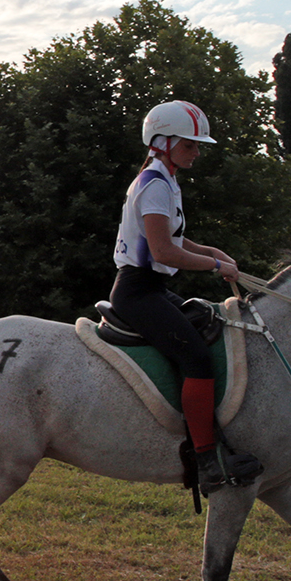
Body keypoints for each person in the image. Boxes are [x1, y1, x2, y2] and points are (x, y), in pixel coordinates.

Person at [111, 101, 262, 496]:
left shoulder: (164, 180)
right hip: (138, 291)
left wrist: (211, 251)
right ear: (163, 142)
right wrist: (215, 267)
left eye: (197, 145)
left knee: (208, 330)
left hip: (152, 288)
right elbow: (164, 252)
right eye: (190, 145)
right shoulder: (155, 185)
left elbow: (175, 238)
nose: (196, 152)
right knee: (196, 358)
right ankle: (207, 461)